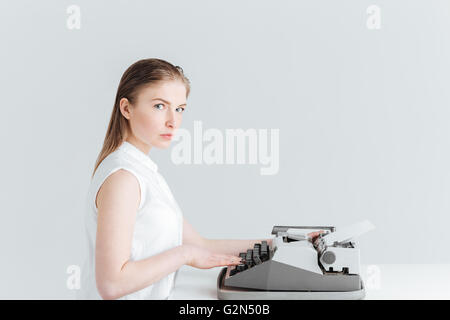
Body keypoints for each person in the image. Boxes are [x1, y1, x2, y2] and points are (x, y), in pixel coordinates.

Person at [78, 58, 276, 300]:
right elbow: (112, 284)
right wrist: (184, 255)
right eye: (160, 106)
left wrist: (276, 246)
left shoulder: (144, 172)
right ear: (126, 108)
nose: (173, 121)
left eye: (180, 109)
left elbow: (201, 246)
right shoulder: (123, 178)